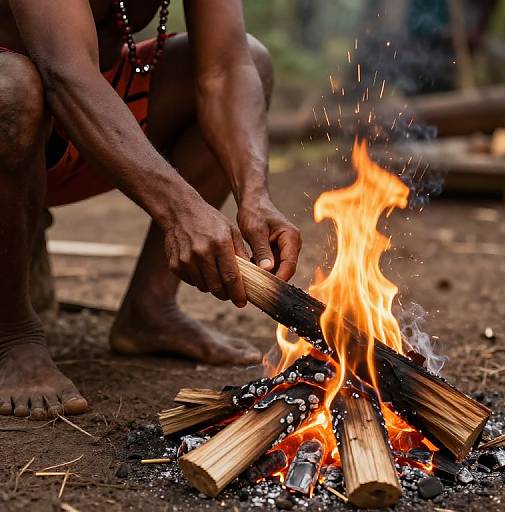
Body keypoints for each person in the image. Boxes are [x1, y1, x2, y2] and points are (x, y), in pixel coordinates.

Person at [0, 0, 302, 420]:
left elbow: (224, 69)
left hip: (72, 135)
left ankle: (150, 309)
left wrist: (254, 194)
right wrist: (181, 210)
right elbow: (64, 72)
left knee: (251, 58)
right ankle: (12, 334)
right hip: (20, 111)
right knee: (9, 88)